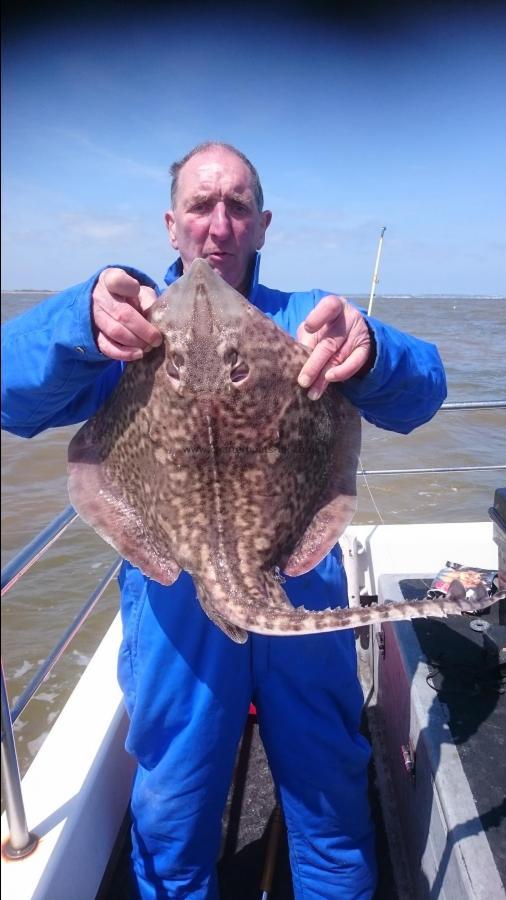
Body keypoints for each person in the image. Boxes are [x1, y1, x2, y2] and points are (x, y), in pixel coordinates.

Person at [1, 141, 447, 899]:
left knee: (331, 805)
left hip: (297, 590)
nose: (218, 226)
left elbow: (423, 393)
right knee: (173, 818)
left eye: (237, 206)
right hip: (174, 612)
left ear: (262, 224)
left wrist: (374, 351)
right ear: (171, 224)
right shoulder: (119, 334)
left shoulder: (310, 322)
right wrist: (78, 319)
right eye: (201, 207)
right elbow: (12, 395)